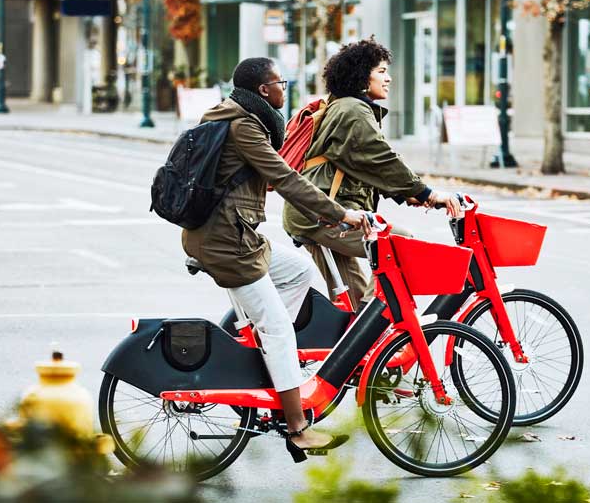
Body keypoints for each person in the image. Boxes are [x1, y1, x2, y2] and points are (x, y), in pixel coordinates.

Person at [181, 57, 370, 457]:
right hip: (228, 244)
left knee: (299, 269)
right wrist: (342, 214)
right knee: (281, 330)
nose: (285, 89)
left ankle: (262, 354)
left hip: (231, 235)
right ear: (264, 90)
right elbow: (285, 179)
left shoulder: (230, 115)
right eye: (281, 82)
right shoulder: (244, 126)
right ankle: (296, 425)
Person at [282, 38, 460, 310]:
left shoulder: (341, 106)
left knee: (352, 305)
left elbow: (361, 165)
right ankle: (372, 322)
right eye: (381, 71)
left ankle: (355, 342)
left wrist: (407, 196)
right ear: (361, 76)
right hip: (323, 213)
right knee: (399, 244)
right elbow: (381, 159)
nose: (388, 79)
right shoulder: (353, 109)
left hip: (311, 211)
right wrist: (426, 193)